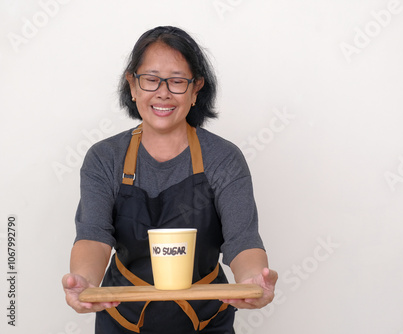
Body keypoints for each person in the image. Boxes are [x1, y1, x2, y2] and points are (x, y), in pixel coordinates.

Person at [62, 26, 278, 333]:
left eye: (177, 81)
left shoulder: (224, 158)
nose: (162, 92)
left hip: (206, 321)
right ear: (132, 85)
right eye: (150, 79)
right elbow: (93, 235)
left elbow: (242, 240)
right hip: (122, 319)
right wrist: (83, 281)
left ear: (195, 89)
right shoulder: (105, 157)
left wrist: (254, 280)